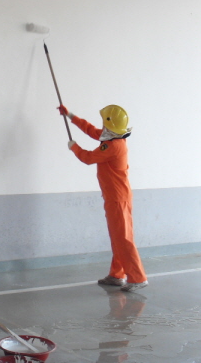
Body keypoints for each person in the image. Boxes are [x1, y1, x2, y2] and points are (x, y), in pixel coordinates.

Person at [58, 104, 148, 292]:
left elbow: (88, 158)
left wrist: (74, 147)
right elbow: (91, 130)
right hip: (114, 197)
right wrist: (71, 116)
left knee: (123, 239)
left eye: (104, 123)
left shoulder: (113, 146)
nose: (102, 126)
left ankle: (138, 278)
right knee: (118, 238)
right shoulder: (112, 137)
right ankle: (117, 275)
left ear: (110, 124)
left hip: (118, 198)